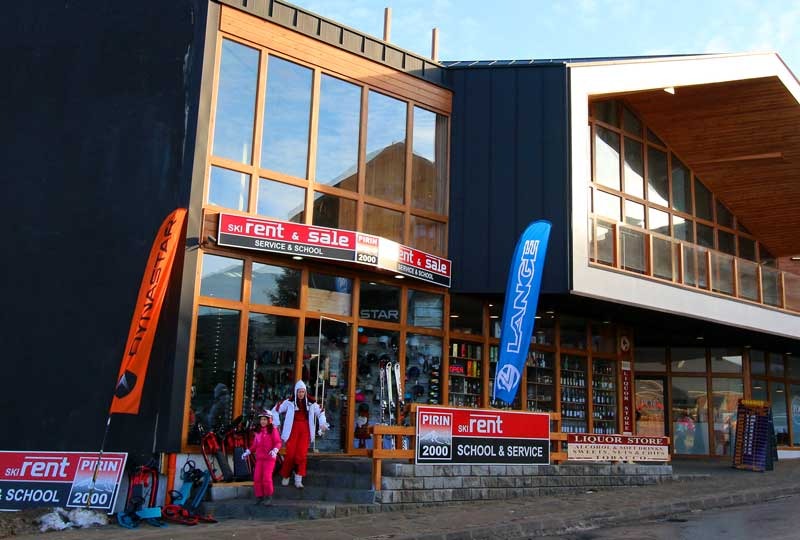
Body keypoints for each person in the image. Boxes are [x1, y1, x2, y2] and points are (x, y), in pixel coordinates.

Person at [272, 380, 328, 489]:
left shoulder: (311, 403)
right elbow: (275, 410)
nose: (301, 394)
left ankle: (298, 479)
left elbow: (321, 412)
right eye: (299, 392)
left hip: (305, 431)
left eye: (303, 392)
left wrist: (322, 423)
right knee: (290, 454)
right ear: (296, 392)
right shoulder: (289, 402)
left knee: (301, 455)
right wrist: (277, 423)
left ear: (305, 392)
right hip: (292, 430)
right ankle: (286, 475)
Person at [241, 410, 282, 505]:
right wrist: (248, 451)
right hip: (259, 459)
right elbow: (255, 445)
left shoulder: (273, 430)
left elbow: (278, 442)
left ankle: (268, 497)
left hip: (269, 459)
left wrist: (275, 450)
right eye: (261, 419)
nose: (263, 421)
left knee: (266, 478)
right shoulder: (258, 431)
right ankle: (259, 496)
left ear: (269, 420)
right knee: (257, 478)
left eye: (265, 419)